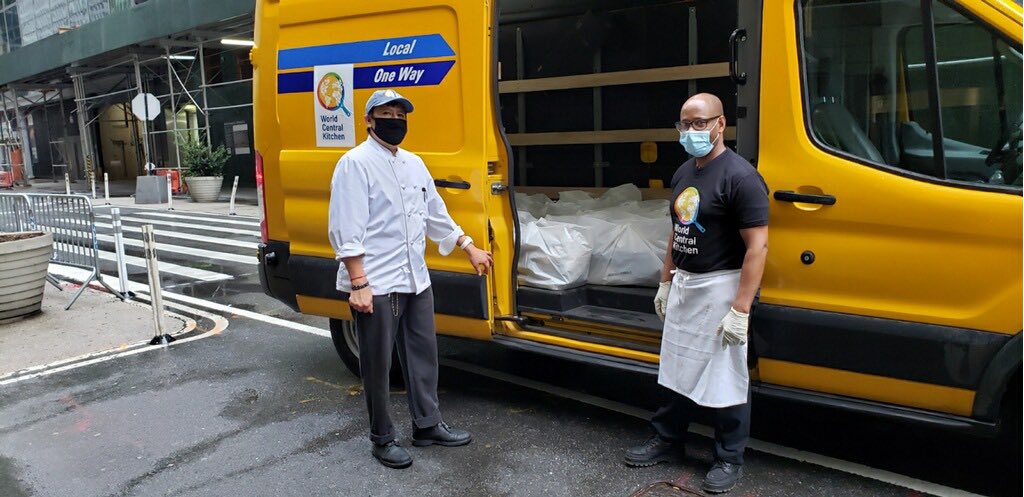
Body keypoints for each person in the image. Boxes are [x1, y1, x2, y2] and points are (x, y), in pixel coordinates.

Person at [327, 88, 493, 469]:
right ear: (368, 120)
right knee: (377, 363)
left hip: (415, 276)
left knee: (423, 355)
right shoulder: (355, 163)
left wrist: (467, 246)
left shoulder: (414, 164)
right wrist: (358, 283)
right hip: (377, 281)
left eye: (401, 116)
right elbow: (345, 227)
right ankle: (382, 437)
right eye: (386, 114)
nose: (395, 121)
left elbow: (435, 213)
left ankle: (427, 425)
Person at [624, 93, 769, 494]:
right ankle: (668, 438)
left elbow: (758, 247)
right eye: (685, 124)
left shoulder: (741, 177)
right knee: (675, 368)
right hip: (687, 285)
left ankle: (728, 457)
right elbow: (677, 229)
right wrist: (665, 280)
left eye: (700, 123)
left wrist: (740, 308)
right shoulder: (684, 172)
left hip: (722, 287)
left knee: (727, 376)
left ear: (721, 125)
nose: (691, 132)